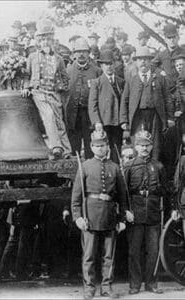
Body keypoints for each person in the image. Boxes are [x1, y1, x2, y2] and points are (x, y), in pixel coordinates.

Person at [71, 130, 127, 300]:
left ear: (107, 147)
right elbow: (76, 197)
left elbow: (122, 197)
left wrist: (122, 218)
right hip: (90, 217)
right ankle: (89, 287)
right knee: (88, 256)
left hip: (109, 216)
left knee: (108, 255)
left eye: (102, 145)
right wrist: (78, 217)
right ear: (91, 146)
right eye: (96, 145)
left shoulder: (114, 167)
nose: (99, 148)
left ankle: (106, 286)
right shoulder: (85, 166)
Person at [124, 129, 167, 295]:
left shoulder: (158, 166)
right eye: (141, 145)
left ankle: (151, 283)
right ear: (136, 146)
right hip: (135, 213)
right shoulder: (129, 166)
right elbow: (124, 193)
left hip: (154, 213)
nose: (144, 148)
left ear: (151, 146)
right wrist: (126, 211)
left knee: (153, 251)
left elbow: (164, 190)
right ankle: (135, 284)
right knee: (134, 251)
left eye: (147, 145)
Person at [22, 18, 72, 159]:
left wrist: (62, 87)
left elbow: (65, 77)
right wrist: (26, 87)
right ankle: (56, 147)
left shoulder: (59, 59)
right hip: (38, 92)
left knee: (59, 121)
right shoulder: (32, 57)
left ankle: (67, 151)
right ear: (38, 41)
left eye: (48, 39)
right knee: (48, 116)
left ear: (52, 41)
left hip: (54, 93)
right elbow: (26, 75)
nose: (45, 42)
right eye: (43, 40)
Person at [120, 46, 174, 160]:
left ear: (150, 61)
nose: (143, 62)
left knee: (155, 144)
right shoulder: (132, 79)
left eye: (145, 59)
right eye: (140, 59)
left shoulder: (159, 78)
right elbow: (125, 100)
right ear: (136, 62)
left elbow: (167, 98)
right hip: (138, 116)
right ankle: (139, 171)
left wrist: (170, 117)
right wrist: (124, 119)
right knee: (139, 143)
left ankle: (153, 171)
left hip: (155, 115)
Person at [66, 38, 102, 157]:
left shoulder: (97, 71)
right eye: (78, 51)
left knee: (90, 147)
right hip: (72, 115)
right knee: (74, 149)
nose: (81, 54)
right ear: (74, 54)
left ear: (89, 53)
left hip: (89, 116)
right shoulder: (67, 71)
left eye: (84, 51)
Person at [88, 49, 125, 163]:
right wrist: (97, 122)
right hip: (104, 122)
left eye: (111, 63)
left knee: (116, 150)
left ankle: (116, 171)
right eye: (106, 64)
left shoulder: (121, 82)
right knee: (102, 149)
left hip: (117, 122)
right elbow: (92, 105)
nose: (109, 67)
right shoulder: (97, 82)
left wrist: (124, 121)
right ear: (101, 66)